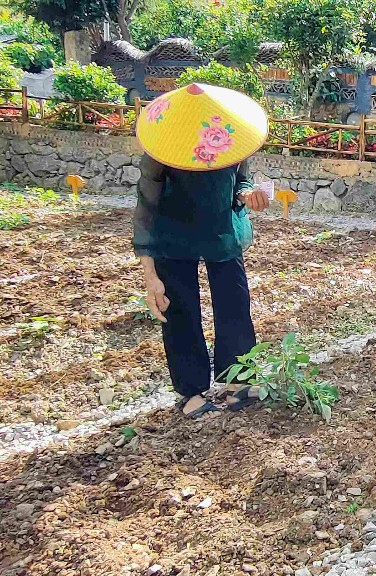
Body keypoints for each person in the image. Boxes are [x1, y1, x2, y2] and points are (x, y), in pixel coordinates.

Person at [132, 83, 271, 419]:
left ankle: (236, 381)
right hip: (173, 237)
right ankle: (191, 391)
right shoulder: (160, 151)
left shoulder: (232, 142)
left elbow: (240, 182)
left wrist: (247, 195)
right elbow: (146, 210)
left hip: (221, 232)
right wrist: (150, 277)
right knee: (180, 311)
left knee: (235, 304)